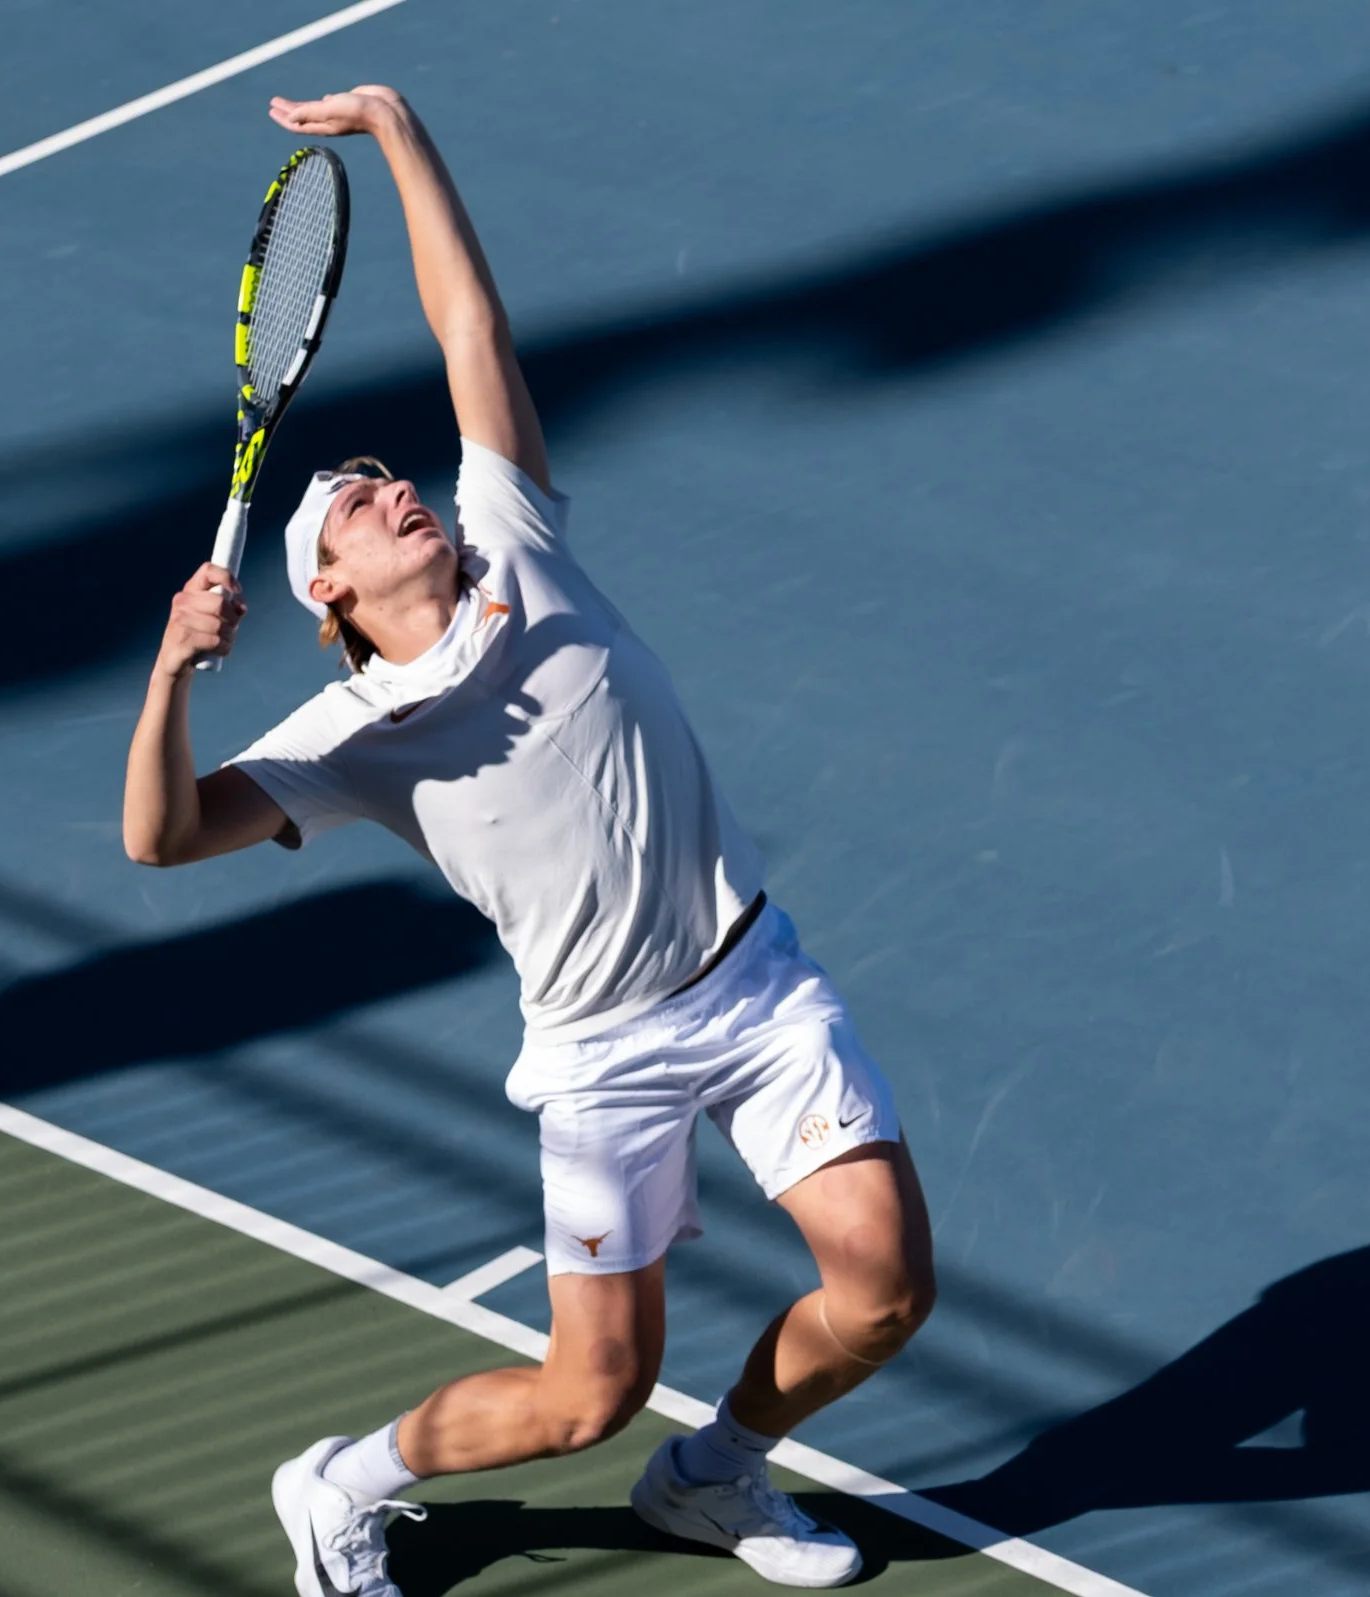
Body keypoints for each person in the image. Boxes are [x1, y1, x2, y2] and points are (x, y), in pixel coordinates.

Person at [121, 84, 934, 1595]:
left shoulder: (520, 544)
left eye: (389, 479)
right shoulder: (340, 742)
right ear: (331, 600)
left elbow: (469, 331)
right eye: (359, 505)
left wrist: (401, 132)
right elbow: (163, 840)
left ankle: (713, 1476)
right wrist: (170, 675)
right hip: (603, 1052)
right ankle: (339, 1484)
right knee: (582, 1396)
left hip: (753, 983)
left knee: (883, 1290)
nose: (394, 493)